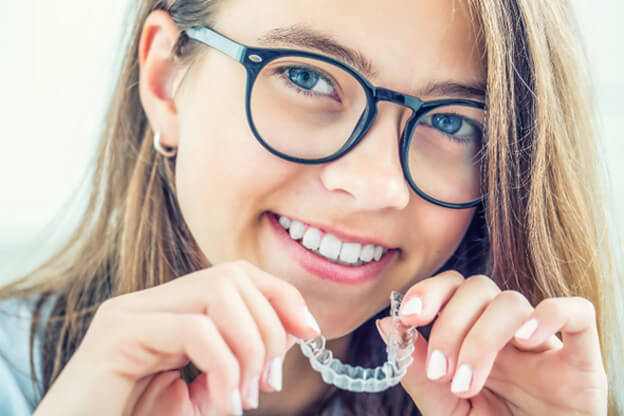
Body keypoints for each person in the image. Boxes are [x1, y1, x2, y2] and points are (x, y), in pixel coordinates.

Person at [1, 0, 622, 414]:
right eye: (307, 78)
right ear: (166, 82)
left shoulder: (541, 389)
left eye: (454, 122)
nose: (378, 185)